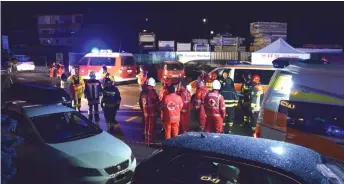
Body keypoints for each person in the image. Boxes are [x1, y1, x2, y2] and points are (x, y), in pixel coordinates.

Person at [139, 77, 159, 146]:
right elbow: (157, 103)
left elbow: (140, 103)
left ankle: (146, 139)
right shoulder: (152, 93)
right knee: (151, 127)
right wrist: (158, 111)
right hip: (152, 113)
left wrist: (143, 111)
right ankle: (150, 141)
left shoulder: (142, 92)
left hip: (145, 113)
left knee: (146, 126)